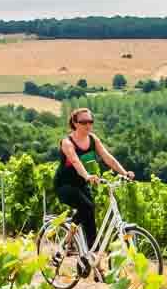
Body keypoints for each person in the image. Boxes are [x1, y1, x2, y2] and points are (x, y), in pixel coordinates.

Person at [53, 108, 133, 259]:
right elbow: (76, 162)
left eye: (90, 122)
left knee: (90, 213)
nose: (88, 125)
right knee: (87, 207)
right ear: (75, 123)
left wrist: (124, 173)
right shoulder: (67, 142)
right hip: (65, 185)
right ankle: (67, 242)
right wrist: (87, 175)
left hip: (82, 185)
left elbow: (107, 157)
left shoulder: (93, 139)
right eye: (84, 122)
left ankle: (93, 254)